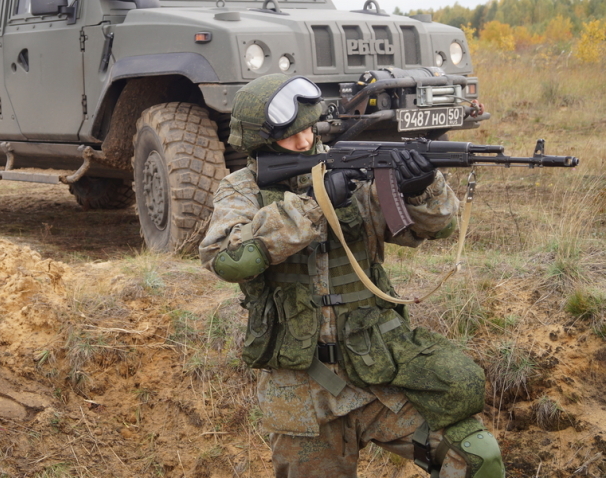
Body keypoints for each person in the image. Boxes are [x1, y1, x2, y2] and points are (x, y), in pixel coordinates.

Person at [199, 74, 504, 478]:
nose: (305, 142)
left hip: (377, 371)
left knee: (479, 458)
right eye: (290, 137)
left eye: (308, 129)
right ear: (259, 140)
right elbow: (228, 258)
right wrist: (315, 202)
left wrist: (419, 187)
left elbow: (435, 229)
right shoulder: (242, 188)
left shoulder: (354, 167)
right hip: (301, 393)